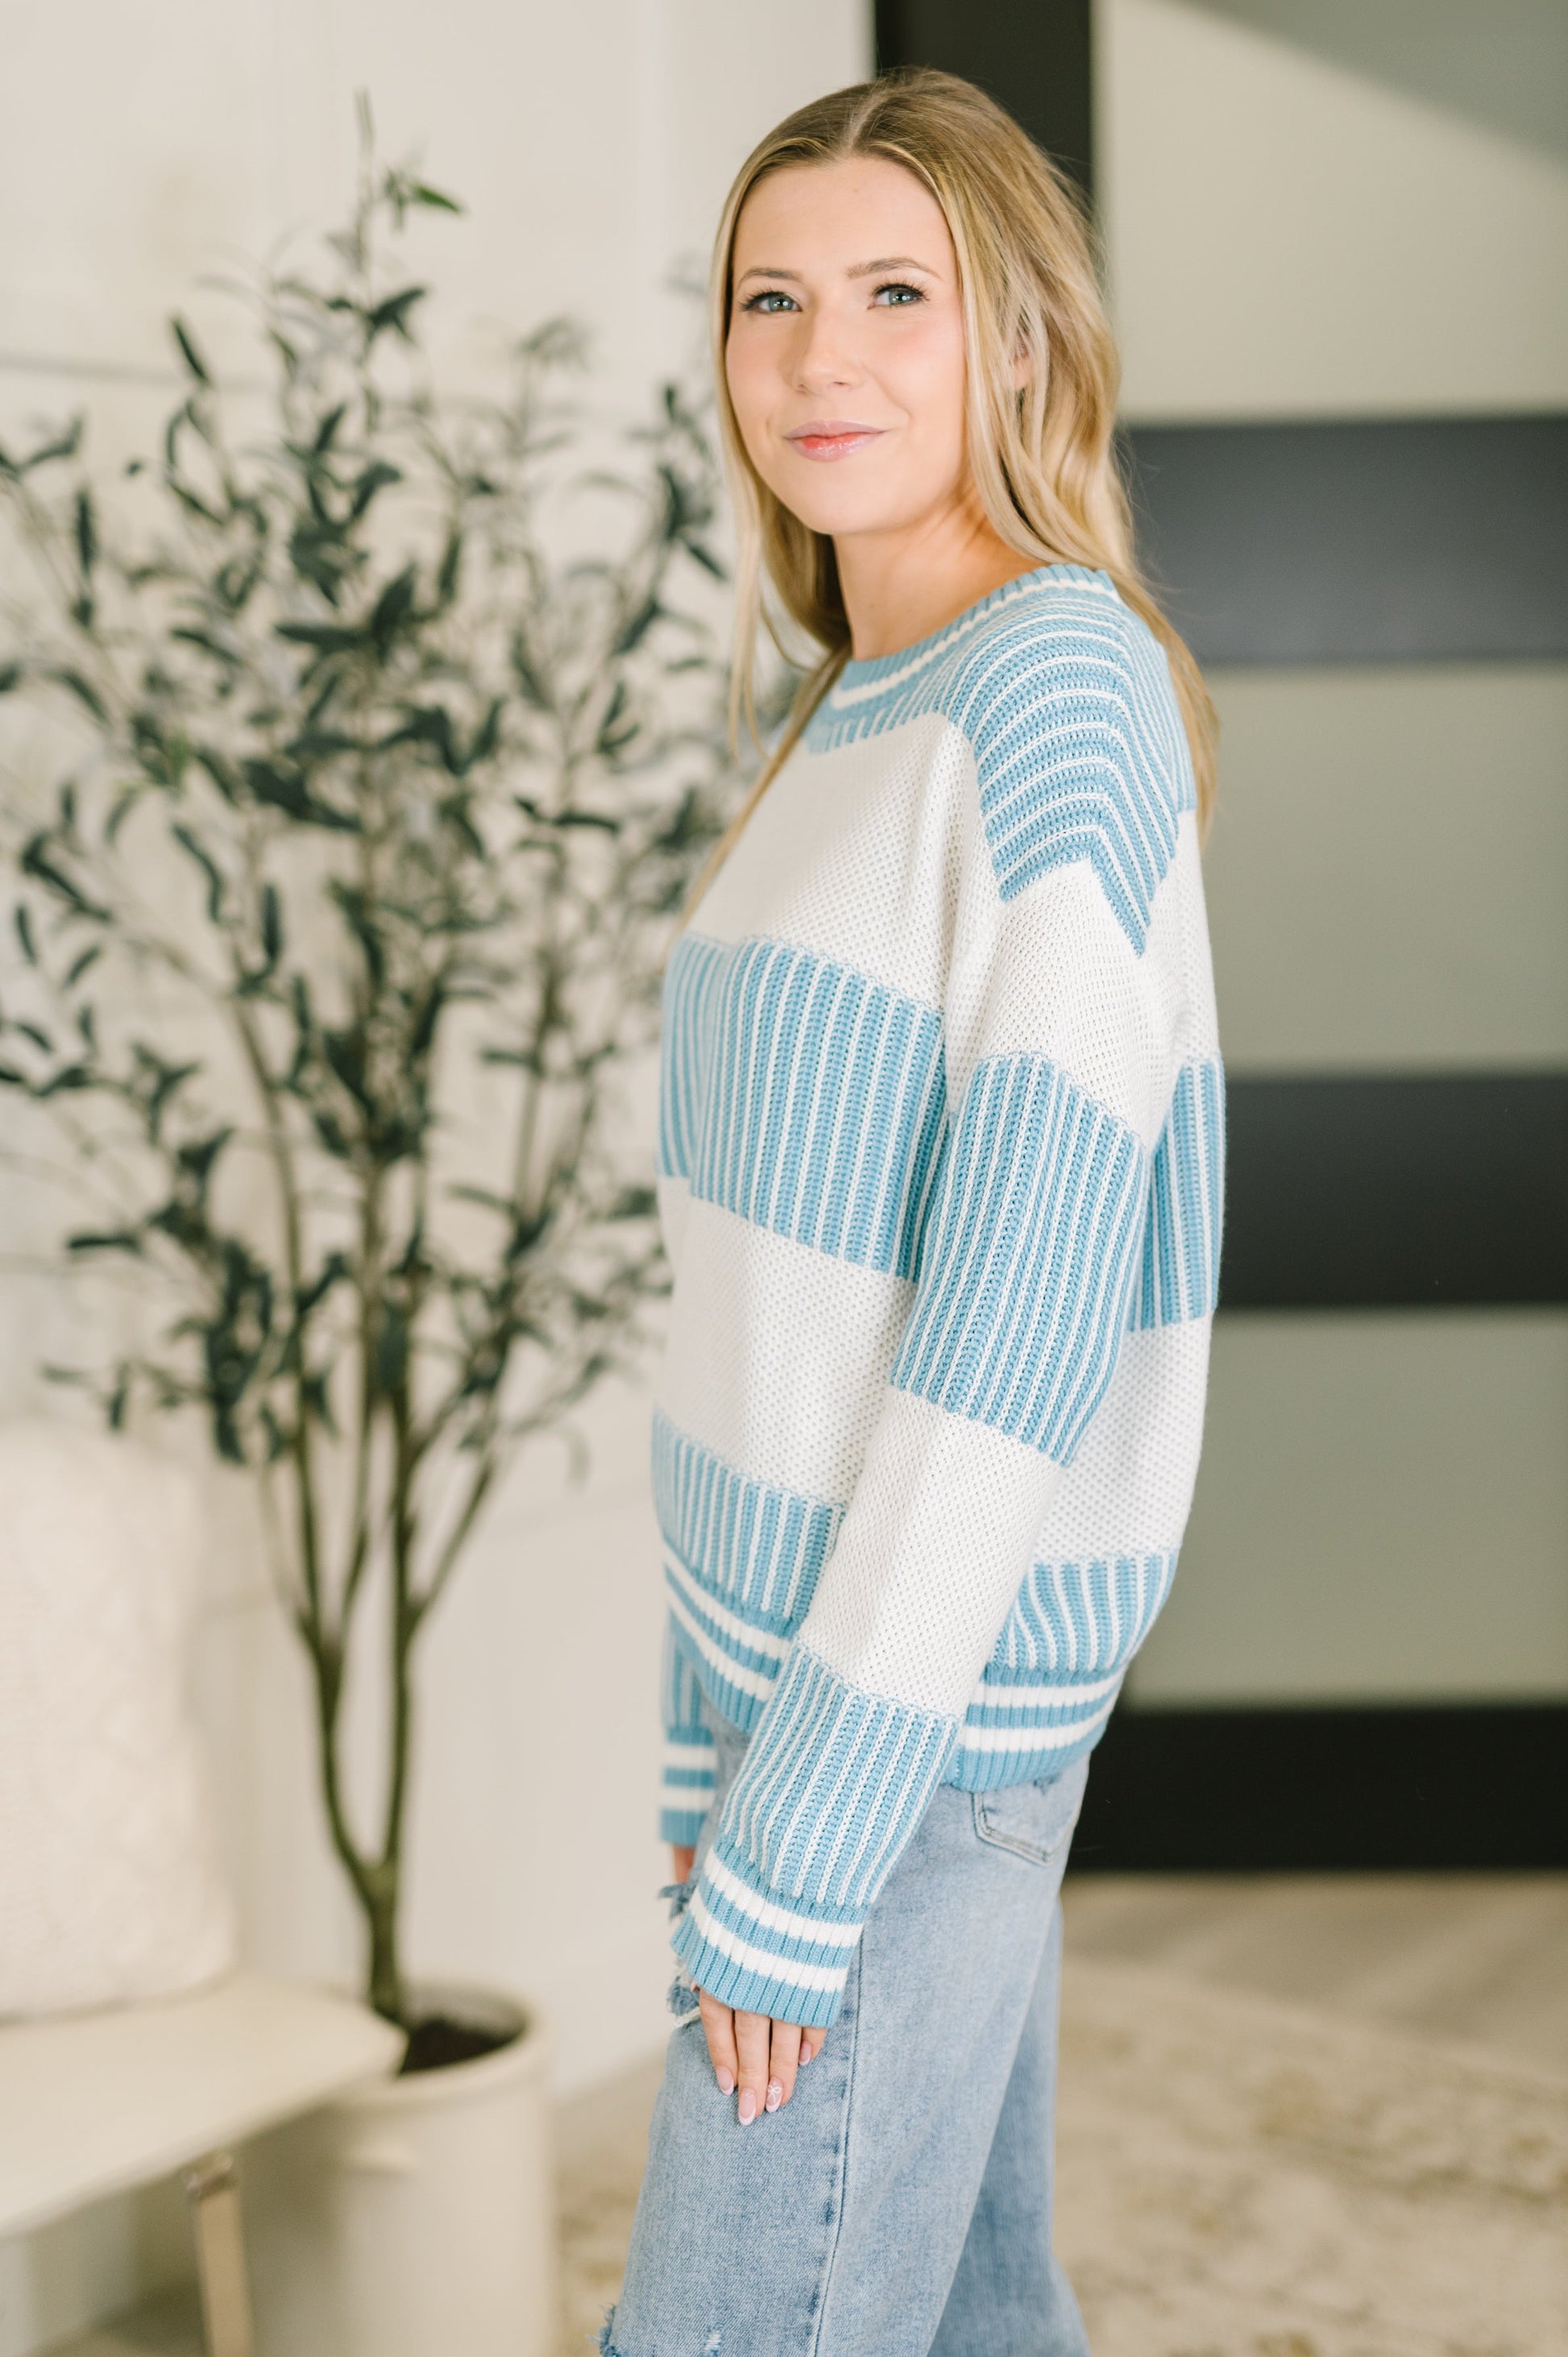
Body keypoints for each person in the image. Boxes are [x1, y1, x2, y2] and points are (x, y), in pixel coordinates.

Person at [604, 66, 1223, 2357]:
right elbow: (756, 1304)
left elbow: (1018, 1312)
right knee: (971, 2319)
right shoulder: (851, 706)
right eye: (768, 299)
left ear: (1015, 340)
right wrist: (711, 1747)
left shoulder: (1053, 689)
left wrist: (810, 1821)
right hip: (803, 1695)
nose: (815, 358)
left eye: (892, 292)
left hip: (909, 1726)